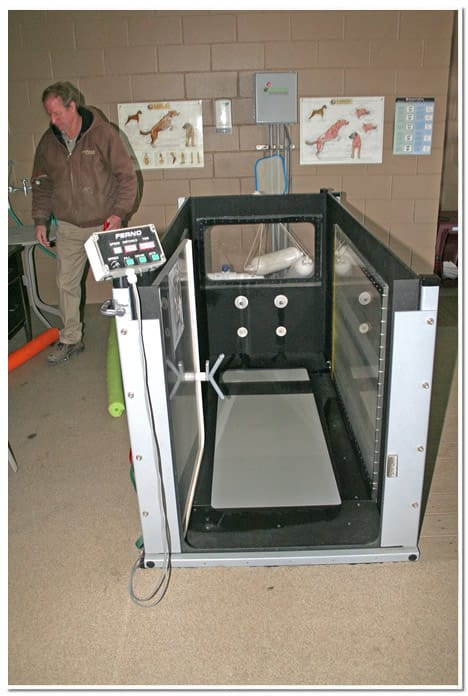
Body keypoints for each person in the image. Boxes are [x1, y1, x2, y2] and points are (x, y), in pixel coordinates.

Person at [31, 81, 138, 364]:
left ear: (72, 106)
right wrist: (41, 220)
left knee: (124, 279)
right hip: (68, 225)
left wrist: (119, 214)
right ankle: (70, 340)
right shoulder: (48, 142)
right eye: (49, 115)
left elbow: (126, 177)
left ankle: (135, 333)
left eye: (57, 113)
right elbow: (41, 184)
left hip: (106, 223)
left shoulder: (103, 134)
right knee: (66, 283)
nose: (53, 120)